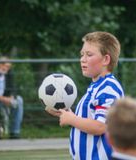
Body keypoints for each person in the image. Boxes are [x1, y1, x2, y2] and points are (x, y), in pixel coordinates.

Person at [46, 31, 124, 159]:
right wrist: (66, 113)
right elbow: (88, 119)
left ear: (105, 59)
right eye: (82, 54)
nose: (83, 59)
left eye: (89, 54)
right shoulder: (96, 86)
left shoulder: (109, 88)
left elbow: (100, 126)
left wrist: (72, 119)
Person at [0, 56, 23, 139]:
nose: (6, 68)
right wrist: (1, 98)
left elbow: (13, 88)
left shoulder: (9, 73)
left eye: (8, 66)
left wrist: (11, 96)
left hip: (3, 99)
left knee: (19, 100)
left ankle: (15, 132)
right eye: (4, 65)